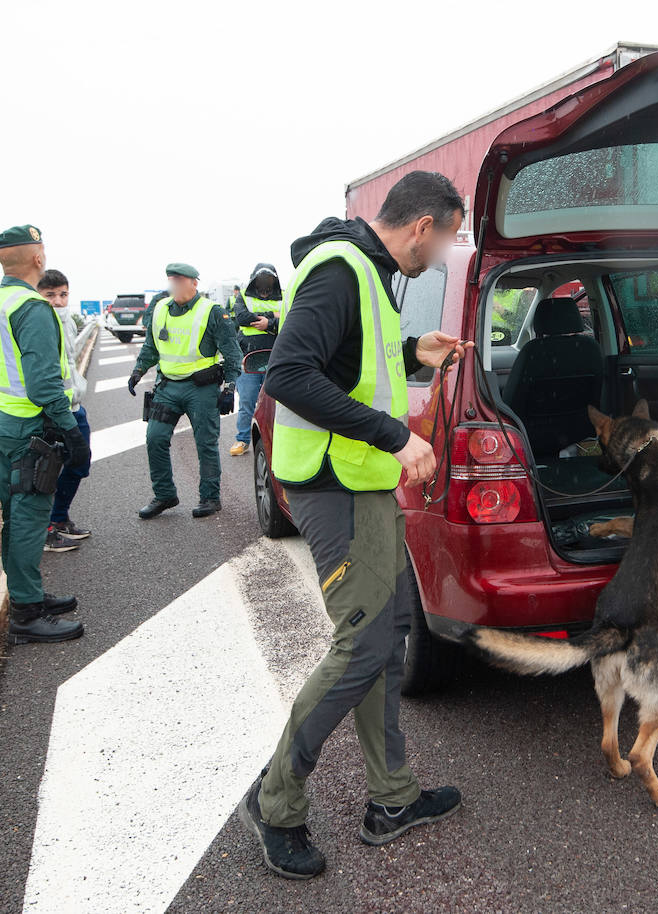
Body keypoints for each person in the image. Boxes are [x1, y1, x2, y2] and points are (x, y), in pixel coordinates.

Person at [237, 171, 471, 879]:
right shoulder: (341, 270)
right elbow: (288, 375)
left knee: (384, 636)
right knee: (362, 646)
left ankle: (392, 797)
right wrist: (397, 438)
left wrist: (411, 353)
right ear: (423, 226)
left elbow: (347, 366)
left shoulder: (368, 271)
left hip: (361, 483)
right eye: (450, 236)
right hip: (335, 484)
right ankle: (275, 800)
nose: (446, 250)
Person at [0, 226, 87, 644]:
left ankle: (30, 595)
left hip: (3, 422)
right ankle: (25, 615)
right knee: (28, 519)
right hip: (30, 428)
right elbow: (43, 385)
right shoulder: (32, 307)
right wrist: (70, 430)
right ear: (38, 259)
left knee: (13, 514)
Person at [127, 263, 241, 519]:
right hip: (167, 387)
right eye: (171, 280)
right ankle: (165, 494)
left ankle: (210, 498)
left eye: (179, 280)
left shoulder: (212, 312)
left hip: (201, 389)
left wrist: (230, 387)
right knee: (155, 438)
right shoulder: (159, 309)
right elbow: (150, 346)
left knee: (206, 444)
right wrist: (138, 371)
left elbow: (233, 353)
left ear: (194, 283)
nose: (174, 285)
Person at [35, 269, 92, 552]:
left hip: (74, 405)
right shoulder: (36, 324)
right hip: (52, 412)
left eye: (63, 294)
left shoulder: (67, 321)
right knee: (46, 472)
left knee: (80, 463)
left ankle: (59, 519)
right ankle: (46, 529)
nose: (58, 301)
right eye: (50, 295)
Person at [228, 263, 283, 456]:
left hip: (275, 359)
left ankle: (276, 441)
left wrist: (269, 323)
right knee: (247, 401)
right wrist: (272, 317)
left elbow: (289, 318)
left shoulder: (284, 296)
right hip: (249, 359)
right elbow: (242, 317)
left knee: (277, 404)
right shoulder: (243, 295)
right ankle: (242, 440)